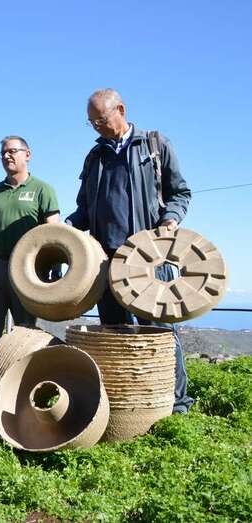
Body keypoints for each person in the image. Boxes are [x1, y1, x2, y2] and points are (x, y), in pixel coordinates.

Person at [66, 88, 194, 414]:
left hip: (150, 256)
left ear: (120, 109)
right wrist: (66, 226)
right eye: (91, 122)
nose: (97, 126)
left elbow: (180, 193)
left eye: (101, 118)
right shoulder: (95, 157)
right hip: (106, 261)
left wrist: (169, 220)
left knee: (161, 333)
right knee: (115, 331)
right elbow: (84, 209)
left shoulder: (154, 145)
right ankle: (125, 406)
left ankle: (176, 405)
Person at [0, 136, 60, 362]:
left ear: (27, 155)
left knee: (25, 332)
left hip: (28, 269)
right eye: (3, 153)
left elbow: (55, 234)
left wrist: (53, 271)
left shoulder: (42, 189)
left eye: (12, 151)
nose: (7, 156)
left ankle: (20, 387)